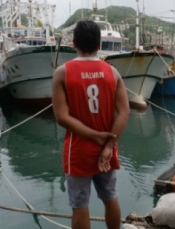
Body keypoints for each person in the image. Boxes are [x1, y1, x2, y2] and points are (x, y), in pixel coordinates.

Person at [52, 20, 130, 229]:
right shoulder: (113, 73)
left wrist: (92, 135)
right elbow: (124, 112)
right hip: (108, 147)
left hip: (78, 150)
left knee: (79, 206)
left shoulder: (62, 73)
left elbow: (61, 116)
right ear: (99, 45)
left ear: (74, 42)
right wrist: (107, 146)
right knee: (110, 197)